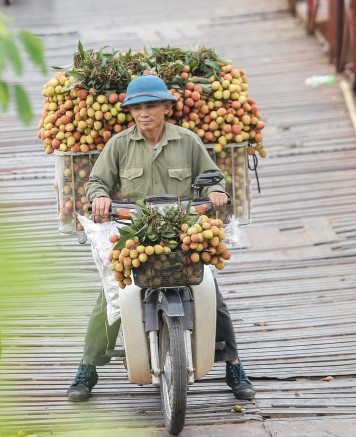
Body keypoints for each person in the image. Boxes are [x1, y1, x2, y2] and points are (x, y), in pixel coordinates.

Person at [67, 74, 256, 402]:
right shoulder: (119, 145)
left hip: (184, 231)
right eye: (137, 107)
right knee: (113, 295)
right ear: (130, 111)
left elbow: (212, 178)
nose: (144, 113)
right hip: (135, 231)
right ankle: (87, 367)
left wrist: (215, 193)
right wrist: (99, 197)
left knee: (210, 292)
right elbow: (97, 181)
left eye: (151, 106)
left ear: (167, 107)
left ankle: (234, 365)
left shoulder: (188, 141)